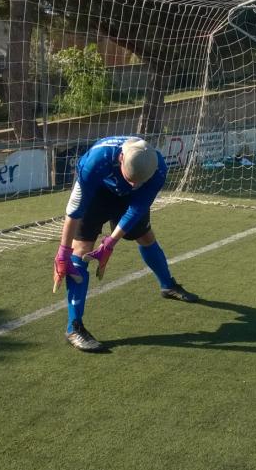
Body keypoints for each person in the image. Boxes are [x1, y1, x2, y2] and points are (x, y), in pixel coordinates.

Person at [53, 136, 199, 352]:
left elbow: (137, 209)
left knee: (145, 236)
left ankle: (168, 285)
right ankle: (74, 327)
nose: (134, 184)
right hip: (98, 193)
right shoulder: (95, 161)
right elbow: (74, 210)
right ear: (121, 158)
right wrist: (63, 252)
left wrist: (110, 243)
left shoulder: (158, 170)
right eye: (131, 179)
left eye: (139, 181)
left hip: (128, 200)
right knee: (80, 250)